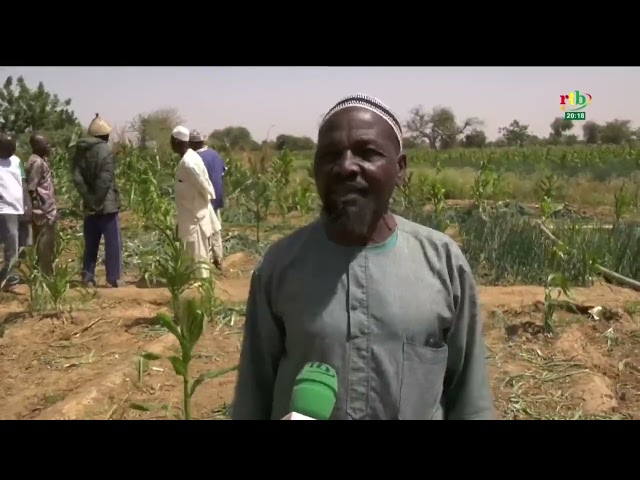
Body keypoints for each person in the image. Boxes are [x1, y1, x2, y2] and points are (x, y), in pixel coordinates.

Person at [232, 94, 494, 420]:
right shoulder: (280, 266)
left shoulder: (442, 262)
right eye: (330, 156)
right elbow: (253, 397)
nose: (345, 166)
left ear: (400, 169)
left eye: (367, 153)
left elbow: (470, 400)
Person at [72, 113, 123, 287]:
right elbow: (105, 178)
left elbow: (77, 177)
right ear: (104, 136)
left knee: (90, 243)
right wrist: (97, 200)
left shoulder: (80, 149)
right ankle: (113, 278)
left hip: (89, 205)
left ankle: (87, 277)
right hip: (106, 205)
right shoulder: (105, 150)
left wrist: (88, 198)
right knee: (113, 243)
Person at [171, 126, 221, 279]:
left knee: (196, 249)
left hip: (194, 212)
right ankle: (194, 278)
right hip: (190, 211)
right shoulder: (190, 157)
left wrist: (200, 206)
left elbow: (204, 186)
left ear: (178, 142)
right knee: (192, 249)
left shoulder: (189, 163)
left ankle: (201, 281)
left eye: (172, 142)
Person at [189, 130, 225, 269]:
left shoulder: (195, 159)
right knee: (216, 229)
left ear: (191, 143)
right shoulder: (215, 154)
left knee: (204, 233)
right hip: (216, 197)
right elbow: (222, 173)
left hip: (203, 201)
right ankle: (219, 259)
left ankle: (207, 263)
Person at [26, 133, 58, 276]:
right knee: (45, 245)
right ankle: (46, 275)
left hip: (45, 209)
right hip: (43, 211)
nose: (48, 146)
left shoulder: (39, 160)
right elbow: (31, 188)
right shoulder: (37, 163)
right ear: (37, 146)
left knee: (46, 245)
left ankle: (44, 273)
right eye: (46, 144)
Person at [0, 133, 24, 290]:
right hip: (3, 207)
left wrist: (27, 205)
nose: (12, 151)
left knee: (13, 245)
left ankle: (9, 278)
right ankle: (11, 280)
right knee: (11, 243)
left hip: (15, 208)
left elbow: (23, 180)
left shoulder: (16, 161)